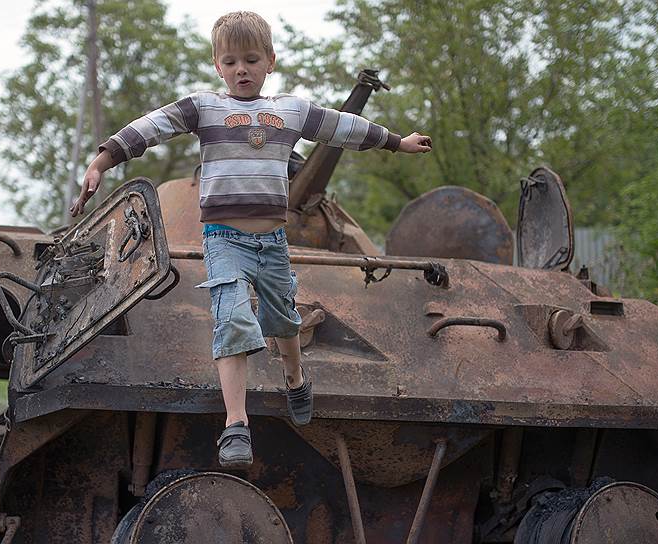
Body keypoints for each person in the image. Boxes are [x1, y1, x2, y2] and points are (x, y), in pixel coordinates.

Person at [69, 11, 431, 467]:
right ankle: (236, 424)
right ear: (218, 66)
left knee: (283, 321)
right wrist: (103, 159)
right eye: (231, 61)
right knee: (233, 319)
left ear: (270, 62)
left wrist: (397, 142)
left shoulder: (292, 112)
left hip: (273, 242)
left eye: (252, 59)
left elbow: (344, 128)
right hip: (223, 240)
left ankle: (296, 378)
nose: (242, 69)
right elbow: (152, 126)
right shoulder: (205, 108)